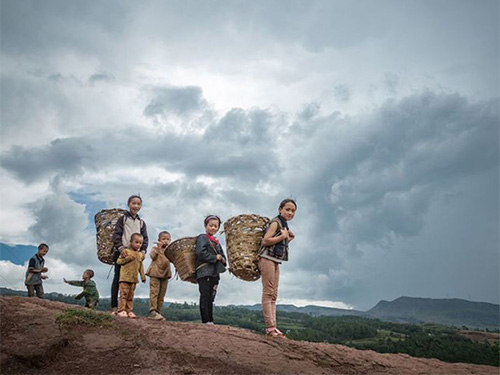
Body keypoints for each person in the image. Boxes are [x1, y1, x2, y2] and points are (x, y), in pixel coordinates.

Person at [258, 198, 297, 337]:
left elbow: (290, 236)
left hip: (275, 260)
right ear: (280, 209)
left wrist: (286, 236)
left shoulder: (284, 225)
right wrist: (282, 237)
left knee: (274, 294)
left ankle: (274, 327)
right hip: (266, 258)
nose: (290, 213)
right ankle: (270, 328)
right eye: (288, 209)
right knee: (268, 292)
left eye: (293, 211)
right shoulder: (275, 222)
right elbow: (266, 240)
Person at [111, 195, 149, 314]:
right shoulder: (123, 219)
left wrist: (143, 251)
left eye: (138, 204)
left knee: (132, 282)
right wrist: (121, 248)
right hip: (122, 252)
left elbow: (145, 239)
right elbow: (117, 235)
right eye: (134, 203)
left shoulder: (141, 223)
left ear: (141, 206)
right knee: (118, 279)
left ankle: (128, 308)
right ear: (128, 204)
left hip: (135, 255)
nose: (136, 206)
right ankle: (114, 307)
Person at [195, 215, 226, 324]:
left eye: (215, 226)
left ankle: (210, 320)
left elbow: (222, 255)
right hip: (204, 271)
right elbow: (200, 253)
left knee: (211, 297)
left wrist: (222, 259)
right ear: (205, 226)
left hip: (214, 273)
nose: (213, 228)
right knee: (205, 295)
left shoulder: (216, 242)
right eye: (211, 225)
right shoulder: (202, 237)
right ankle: (205, 320)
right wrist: (214, 258)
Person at [116, 233, 146, 318]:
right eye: (136, 242)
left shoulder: (140, 254)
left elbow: (141, 266)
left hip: (134, 279)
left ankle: (129, 310)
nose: (138, 245)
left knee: (130, 295)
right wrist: (128, 259)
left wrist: (143, 276)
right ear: (131, 242)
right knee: (123, 294)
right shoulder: (126, 251)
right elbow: (118, 261)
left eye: (140, 243)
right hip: (124, 278)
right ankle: (121, 310)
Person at [146, 231, 172, 320]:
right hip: (155, 273)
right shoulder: (155, 248)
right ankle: (152, 311)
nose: (166, 241)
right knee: (154, 292)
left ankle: (158, 311)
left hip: (165, 274)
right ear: (159, 240)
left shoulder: (169, 251)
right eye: (163, 239)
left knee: (162, 294)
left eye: (168, 239)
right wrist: (158, 249)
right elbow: (152, 256)